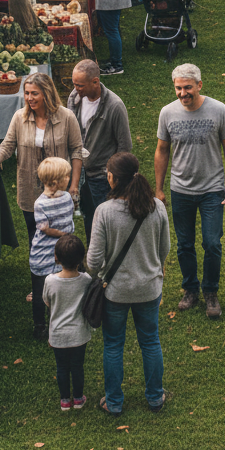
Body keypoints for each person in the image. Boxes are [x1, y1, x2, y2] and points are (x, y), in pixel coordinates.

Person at [86, 151, 171, 416]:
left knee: (113, 345)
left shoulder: (104, 212)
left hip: (115, 291)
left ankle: (114, 402)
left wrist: (102, 273)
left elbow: (93, 260)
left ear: (113, 179)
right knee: (150, 341)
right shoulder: (156, 207)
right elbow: (164, 248)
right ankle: (155, 398)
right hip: (149, 288)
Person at [154, 63, 225, 320]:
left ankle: (210, 292)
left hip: (213, 189)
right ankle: (190, 289)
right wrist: (158, 188)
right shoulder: (167, 113)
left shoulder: (218, 109)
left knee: (212, 243)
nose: (182, 93)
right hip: (181, 189)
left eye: (187, 87)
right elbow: (162, 150)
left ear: (199, 85)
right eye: (178, 88)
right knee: (184, 245)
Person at [0, 73, 83, 249]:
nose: (29, 98)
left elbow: (77, 150)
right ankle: (38, 271)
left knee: (63, 238)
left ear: (47, 93)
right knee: (35, 236)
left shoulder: (67, 117)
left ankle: (64, 272)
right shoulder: (19, 118)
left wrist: (74, 185)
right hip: (29, 188)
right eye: (27, 93)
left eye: (34, 93)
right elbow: (6, 147)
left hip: (59, 189)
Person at [68, 59, 133, 238]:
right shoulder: (74, 98)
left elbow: (125, 146)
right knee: (88, 217)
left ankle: (107, 261)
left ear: (95, 81)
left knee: (105, 223)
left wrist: (117, 179)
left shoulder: (114, 106)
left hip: (103, 177)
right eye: (74, 84)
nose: (76, 89)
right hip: (80, 173)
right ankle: (93, 259)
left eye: (80, 85)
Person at [29, 157, 77, 339]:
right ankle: (40, 326)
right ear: (56, 182)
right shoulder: (41, 204)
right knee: (41, 293)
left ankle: (52, 324)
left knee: (52, 292)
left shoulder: (65, 197)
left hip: (58, 253)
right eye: (67, 176)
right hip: (44, 255)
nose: (69, 178)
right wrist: (65, 235)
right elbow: (45, 228)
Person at [43, 233, 92, 411]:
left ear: (56, 258)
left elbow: (47, 301)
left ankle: (65, 401)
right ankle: (78, 399)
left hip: (58, 334)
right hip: (79, 334)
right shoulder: (86, 280)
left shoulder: (50, 281)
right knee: (77, 366)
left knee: (62, 367)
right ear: (80, 259)